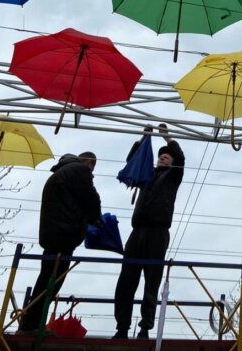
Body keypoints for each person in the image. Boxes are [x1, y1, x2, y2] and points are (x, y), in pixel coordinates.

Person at [113, 123, 185, 339]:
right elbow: (132, 161)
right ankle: (122, 327)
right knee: (126, 279)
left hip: (158, 232)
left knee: (152, 280)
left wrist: (167, 138)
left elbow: (181, 159)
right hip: (138, 232)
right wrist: (143, 138)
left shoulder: (173, 177)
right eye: (161, 156)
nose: (163, 158)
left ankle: (145, 327)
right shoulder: (146, 175)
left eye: (167, 157)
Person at [19, 151, 102, 333]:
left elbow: (74, 201)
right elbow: (91, 197)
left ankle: (30, 322)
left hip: (52, 234)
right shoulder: (79, 170)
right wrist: (96, 218)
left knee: (46, 279)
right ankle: (32, 324)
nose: (92, 172)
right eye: (92, 167)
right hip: (64, 235)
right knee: (53, 281)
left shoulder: (60, 174)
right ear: (88, 162)